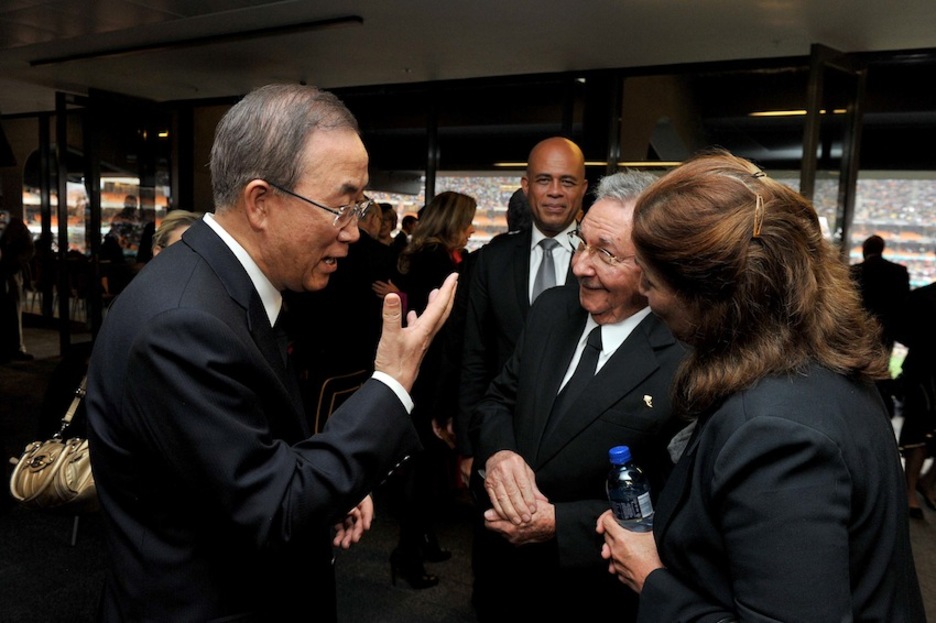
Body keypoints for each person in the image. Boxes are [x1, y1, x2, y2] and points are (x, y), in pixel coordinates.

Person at [86, 84, 458, 622]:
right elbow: (274, 507)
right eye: (340, 205)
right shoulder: (184, 324)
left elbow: (249, 458)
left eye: (360, 206)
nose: (354, 231)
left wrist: (329, 487)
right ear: (260, 202)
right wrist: (392, 381)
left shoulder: (222, 285)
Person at [597, 150, 925, 622]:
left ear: (707, 295)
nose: (644, 295)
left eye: (650, 281)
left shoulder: (775, 432)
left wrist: (652, 579)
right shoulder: (810, 361)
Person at [468, 171, 683, 621]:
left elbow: (674, 501)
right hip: (501, 576)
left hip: (592, 591)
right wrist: (502, 453)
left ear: (654, 268)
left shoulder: (683, 360)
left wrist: (559, 526)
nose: (581, 265)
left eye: (605, 253)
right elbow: (497, 401)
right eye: (582, 243)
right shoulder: (551, 309)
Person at [457, 136, 587, 483]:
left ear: (583, 188)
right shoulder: (492, 259)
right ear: (526, 187)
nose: (555, 192)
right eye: (544, 180)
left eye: (567, 181)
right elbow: (475, 354)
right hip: (500, 438)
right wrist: (470, 445)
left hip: (576, 444)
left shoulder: (602, 263)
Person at [384, 190, 477, 589]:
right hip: (430, 373)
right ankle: (407, 553)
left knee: (426, 467)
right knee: (421, 469)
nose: (472, 228)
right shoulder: (437, 259)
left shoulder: (428, 254)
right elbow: (440, 326)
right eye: (468, 221)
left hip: (427, 371)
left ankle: (420, 540)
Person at [897, 268, 936, 519]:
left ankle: (926, 483)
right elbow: (902, 330)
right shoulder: (922, 297)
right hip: (923, 374)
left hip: (923, 370)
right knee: (918, 434)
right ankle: (911, 490)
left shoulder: (922, 296)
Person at [0, 216, 35, 362]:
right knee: (13, 312)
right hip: (11, 272)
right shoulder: (15, 228)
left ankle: (12, 348)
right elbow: (29, 249)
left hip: (9, 273)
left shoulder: (12, 228)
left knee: (11, 311)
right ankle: (15, 348)